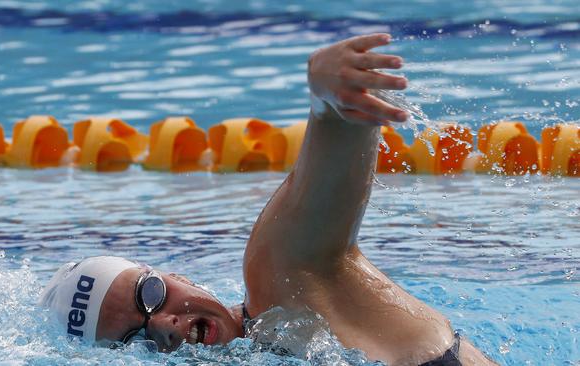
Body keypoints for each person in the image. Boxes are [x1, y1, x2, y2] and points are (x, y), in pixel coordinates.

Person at [39, 33, 496, 365]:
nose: (163, 326)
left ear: (174, 275)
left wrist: (329, 100)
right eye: (134, 342)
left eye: (151, 294)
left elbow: (323, 191)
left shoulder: (284, 284)